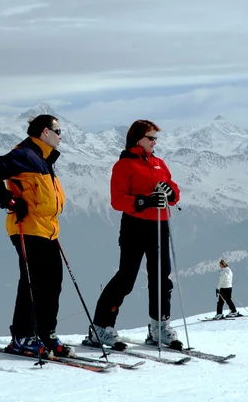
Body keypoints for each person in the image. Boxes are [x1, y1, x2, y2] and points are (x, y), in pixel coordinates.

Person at [0, 114, 74, 358]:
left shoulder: (43, 159)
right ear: (45, 132)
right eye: (58, 130)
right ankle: (23, 335)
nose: (60, 135)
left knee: (53, 281)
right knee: (33, 281)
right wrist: (8, 200)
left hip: (47, 230)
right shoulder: (24, 155)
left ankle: (44, 333)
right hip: (27, 227)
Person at [86, 119, 182, 349]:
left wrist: (170, 193)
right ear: (137, 139)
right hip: (135, 225)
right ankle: (101, 327)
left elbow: (174, 190)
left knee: (161, 277)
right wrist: (143, 200)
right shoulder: (124, 165)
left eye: (156, 138)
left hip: (160, 223)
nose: (154, 142)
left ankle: (159, 327)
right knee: (126, 277)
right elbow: (117, 200)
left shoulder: (159, 163)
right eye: (150, 138)